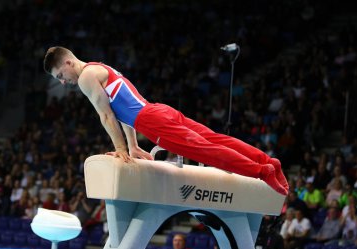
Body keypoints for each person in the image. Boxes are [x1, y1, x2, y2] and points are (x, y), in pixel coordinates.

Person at [43, 46, 288, 195]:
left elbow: (106, 115)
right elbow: (121, 109)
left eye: (61, 75)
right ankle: (268, 162)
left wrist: (119, 150)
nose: (64, 82)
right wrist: (132, 145)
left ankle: (261, 172)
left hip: (152, 121)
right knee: (214, 139)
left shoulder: (86, 78)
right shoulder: (99, 66)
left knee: (207, 151)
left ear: (68, 62)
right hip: (157, 110)